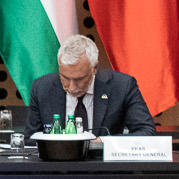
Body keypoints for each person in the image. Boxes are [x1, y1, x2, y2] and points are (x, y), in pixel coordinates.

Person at [26, 36, 156, 136]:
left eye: (79, 79)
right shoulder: (42, 87)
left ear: (94, 68)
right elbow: (29, 139)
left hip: (102, 162)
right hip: (56, 162)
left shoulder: (122, 86)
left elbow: (146, 131)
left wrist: (104, 142)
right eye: (65, 77)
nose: (71, 87)